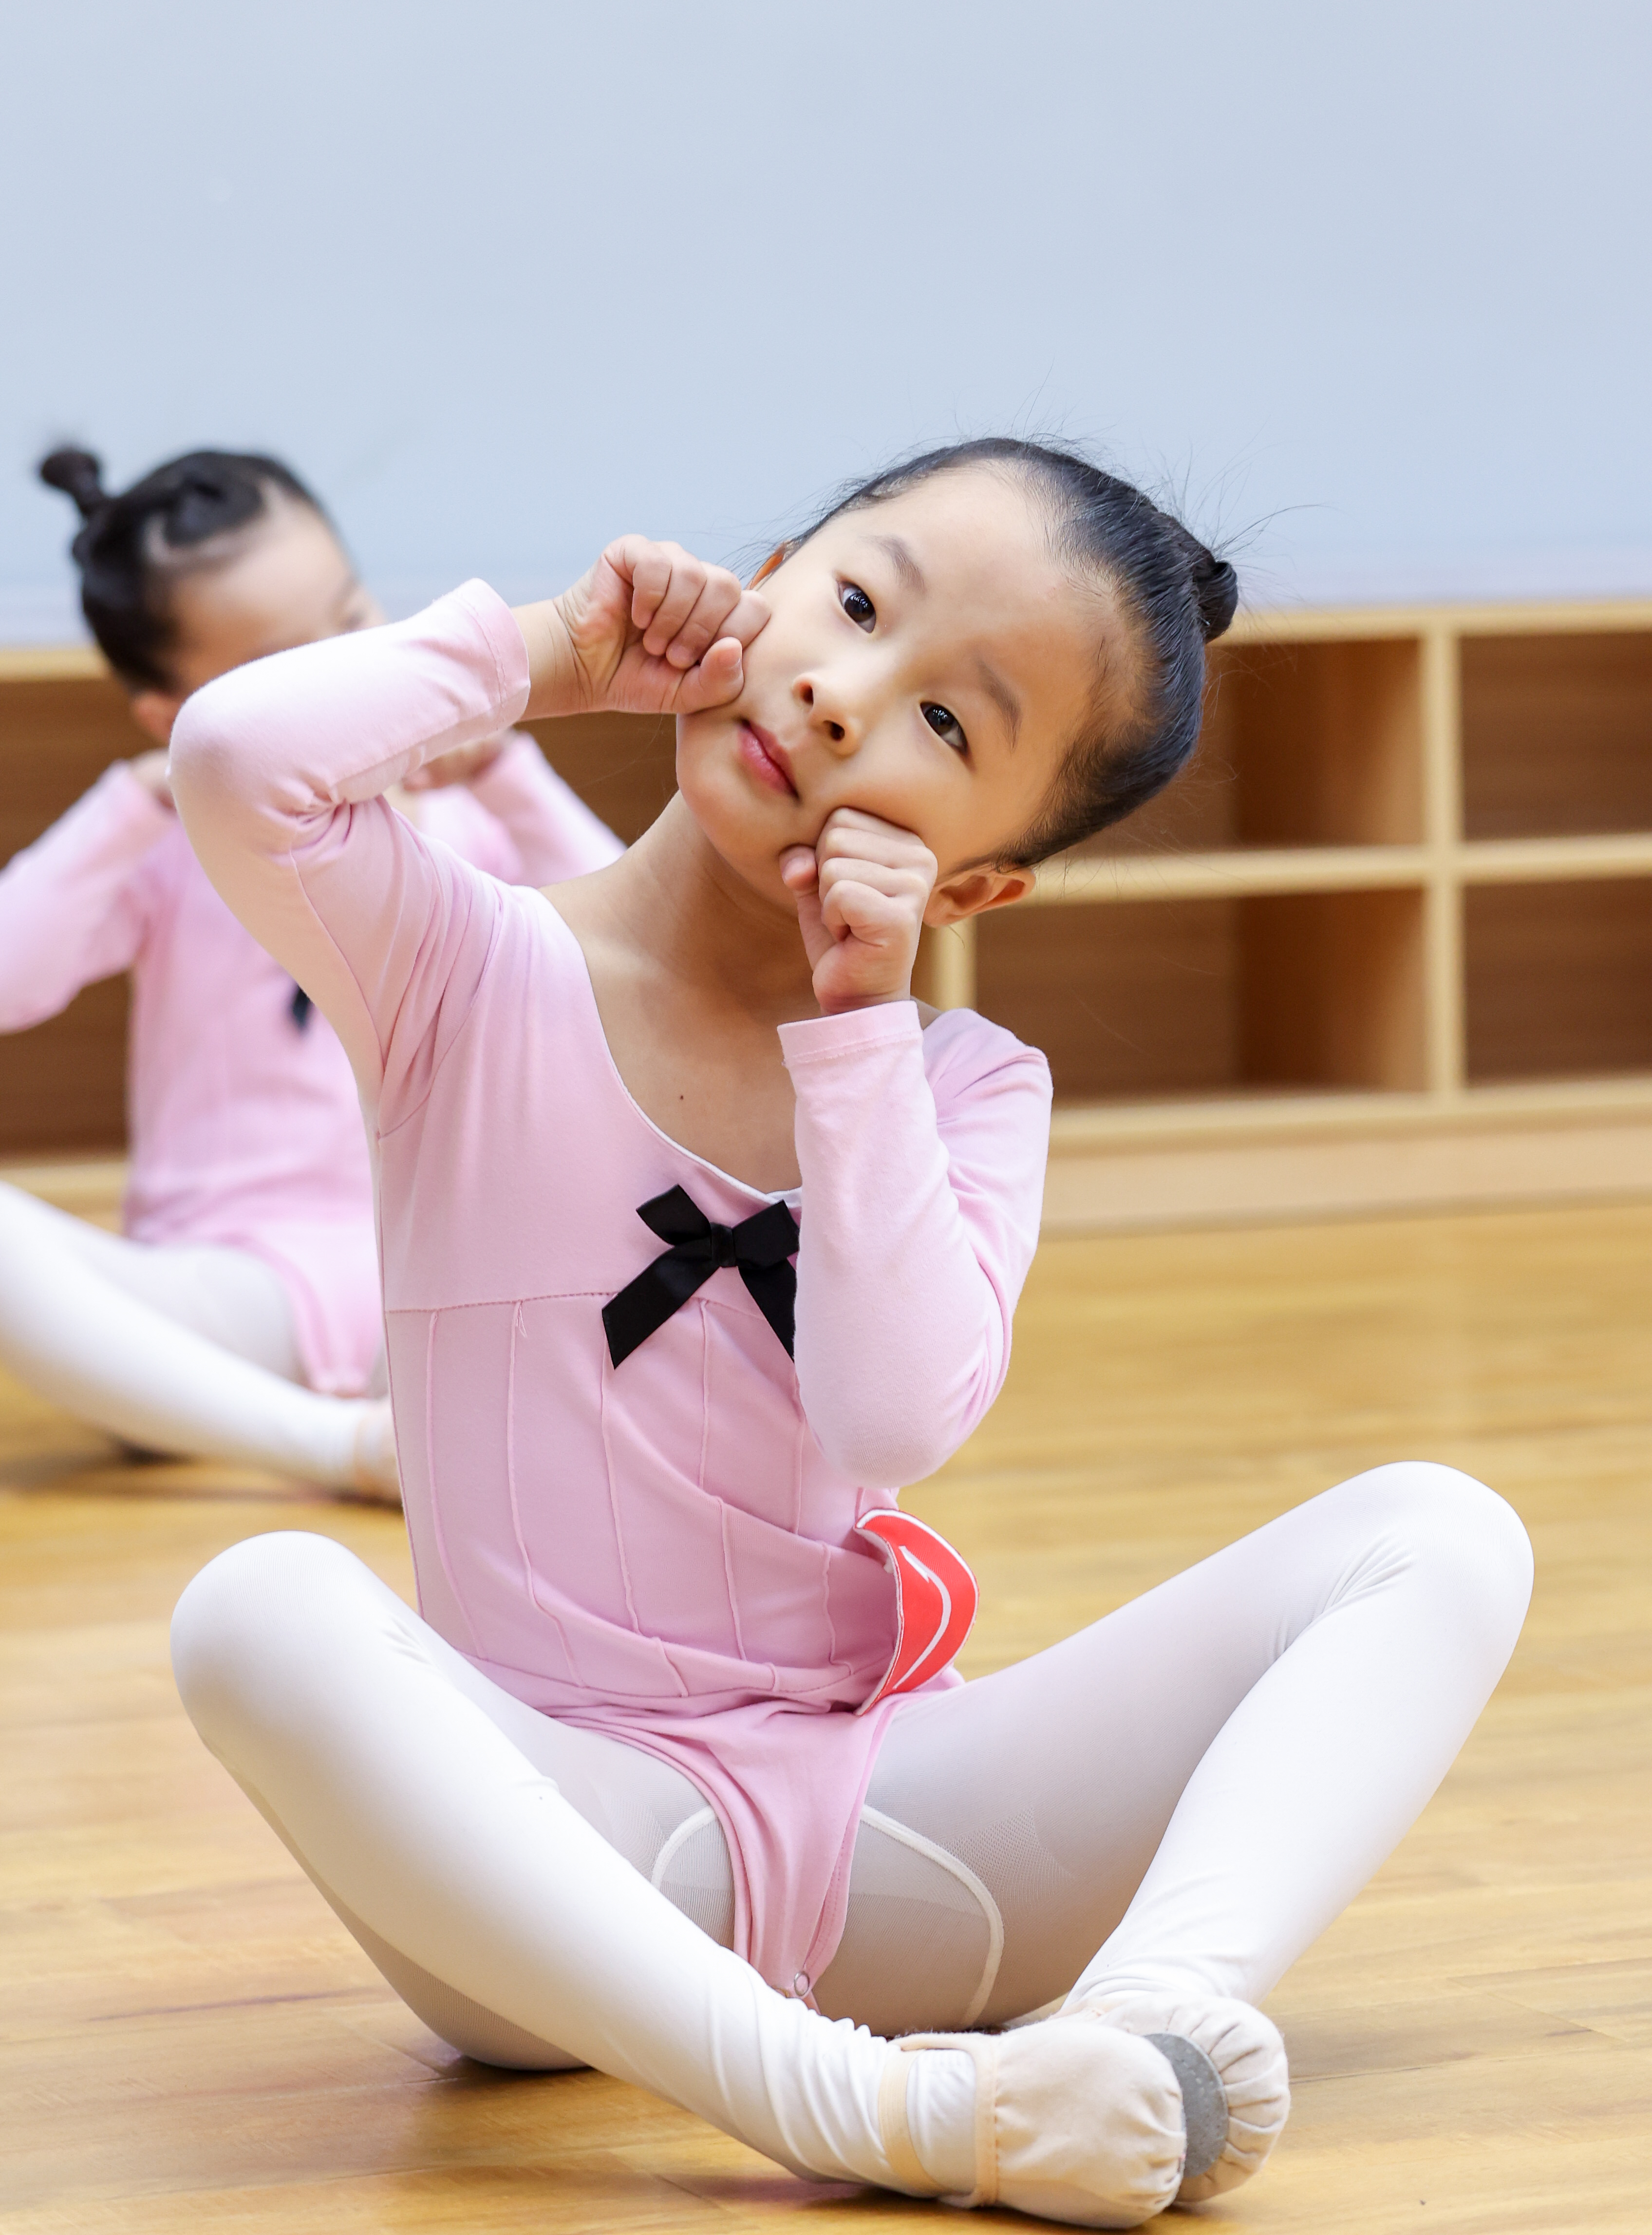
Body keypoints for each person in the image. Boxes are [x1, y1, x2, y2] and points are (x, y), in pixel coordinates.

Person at [164, 440, 1532, 2224]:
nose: (842, 696)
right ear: (770, 573)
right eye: (861, 601)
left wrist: (862, 1030)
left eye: (949, 725)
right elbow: (236, 759)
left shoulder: (963, 1082)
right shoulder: (458, 967)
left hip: (894, 1829)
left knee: (1443, 1535)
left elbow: (892, 1414)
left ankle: (1142, 2031)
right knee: (257, 1605)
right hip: (550, 1862)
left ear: (975, 886)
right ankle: (856, 2107)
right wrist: (555, 650)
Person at [0, 446, 620, 1500]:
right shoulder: (168, 845)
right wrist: (139, 801)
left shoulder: (467, 821)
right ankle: (327, 1447)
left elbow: (626, 959)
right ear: (176, 716)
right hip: (224, 1303)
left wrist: (511, 775)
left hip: (435, 1282)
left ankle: (391, 1424)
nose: (346, 675)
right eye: (289, 669)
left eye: (354, 620)